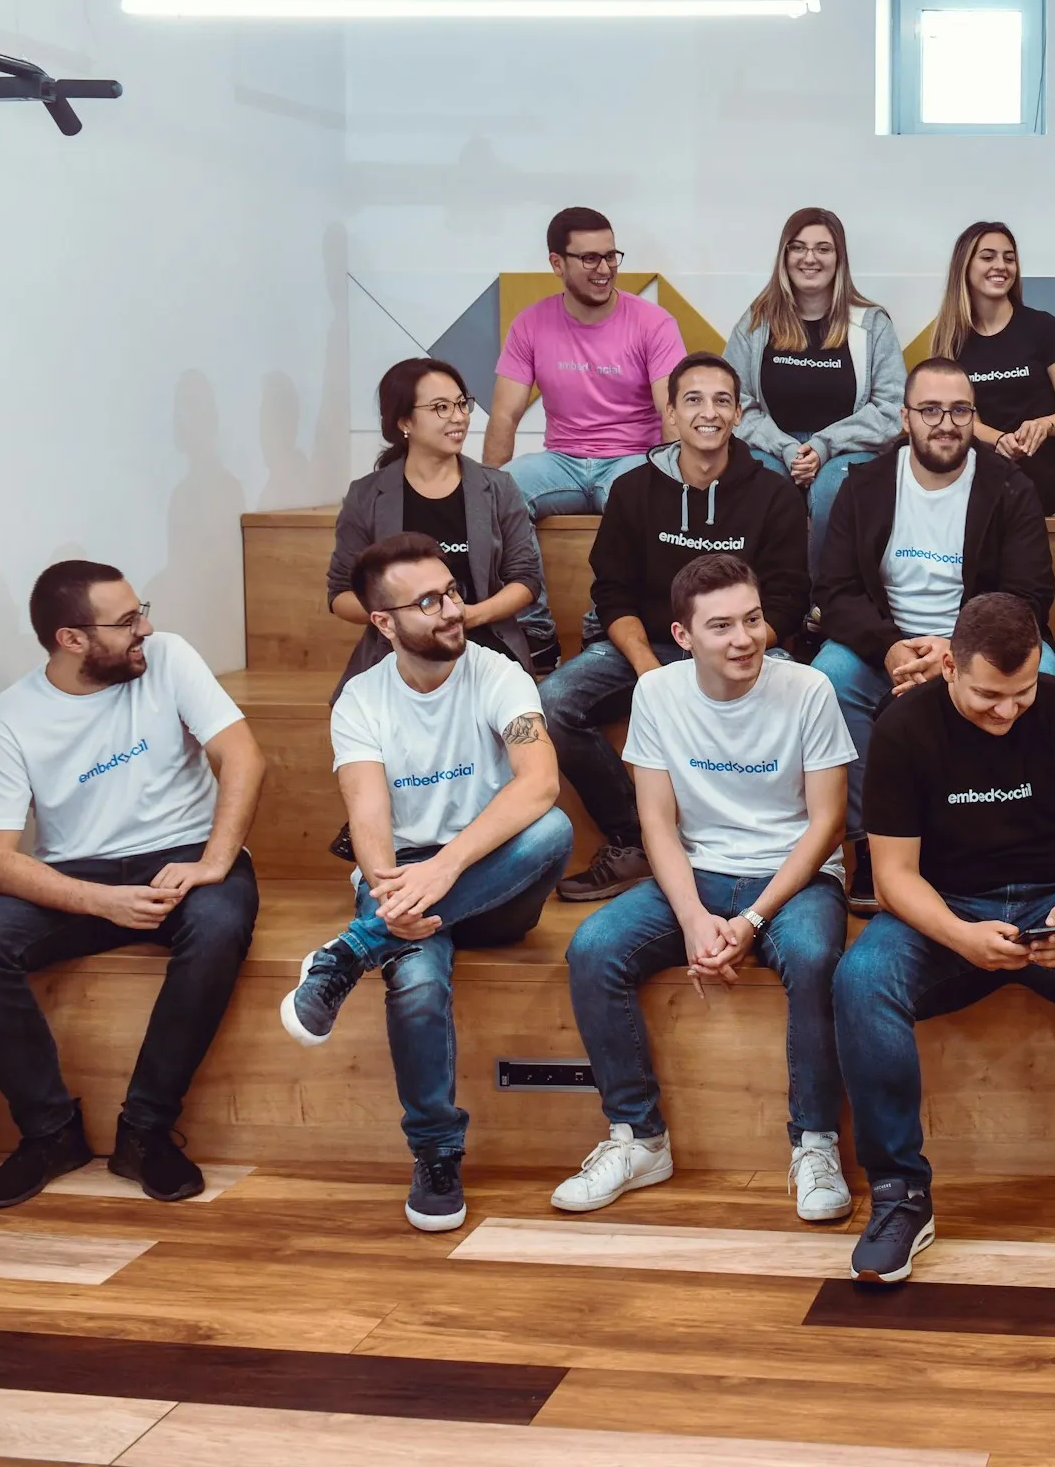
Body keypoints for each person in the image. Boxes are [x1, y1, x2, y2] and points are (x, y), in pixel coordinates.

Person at [833, 593, 1055, 1282]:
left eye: (1020, 694)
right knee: (860, 981)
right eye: (988, 695)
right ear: (949, 664)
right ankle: (899, 1193)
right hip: (944, 906)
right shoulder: (903, 726)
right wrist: (957, 935)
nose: (1007, 712)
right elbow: (893, 876)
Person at [0, 562, 265, 1208]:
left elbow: (243, 755)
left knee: (218, 926)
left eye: (140, 610)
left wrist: (214, 860)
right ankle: (48, 1131)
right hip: (79, 874)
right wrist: (101, 901)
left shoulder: (168, 658)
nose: (145, 627)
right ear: (71, 639)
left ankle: (145, 1132)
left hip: (183, 855)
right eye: (126, 622)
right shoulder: (12, 718)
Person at [278, 533, 574, 1234]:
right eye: (430, 600)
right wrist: (392, 891)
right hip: (402, 883)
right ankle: (437, 1152)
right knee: (415, 984)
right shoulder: (360, 701)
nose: (452, 610)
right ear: (384, 623)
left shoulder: (499, 673)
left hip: (494, 879)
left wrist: (443, 870)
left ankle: (350, 952)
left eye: (452, 591)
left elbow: (539, 785)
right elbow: (370, 818)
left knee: (554, 830)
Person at [554, 556, 856, 1223]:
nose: (743, 638)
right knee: (593, 947)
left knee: (812, 958)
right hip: (698, 871)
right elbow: (656, 822)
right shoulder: (657, 694)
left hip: (793, 874)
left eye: (751, 619)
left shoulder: (808, 689)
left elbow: (828, 823)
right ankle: (638, 1138)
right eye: (720, 626)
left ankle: (814, 1143)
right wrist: (693, 917)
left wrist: (749, 920)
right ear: (683, 636)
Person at [539, 353, 810, 903]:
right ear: (671, 412)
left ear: (739, 414)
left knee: (800, 695)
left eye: (721, 401)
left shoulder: (774, 494)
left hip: (742, 643)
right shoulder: (634, 490)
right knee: (552, 703)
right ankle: (636, 839)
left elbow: (785, 603)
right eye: (693, 399)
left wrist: (730, 649)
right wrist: (649, 668)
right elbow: (612, 593)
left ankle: (763, 850)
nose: (708, 412)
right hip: (651, 644)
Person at [814, 357, 1055, 895]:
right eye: (930, 410)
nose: (946, 423)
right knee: (827, 677)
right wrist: (889, 648)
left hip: (982, 644)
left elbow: (1030, 594)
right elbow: (834, 591)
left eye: (959, 410)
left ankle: (1031, 843)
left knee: (1052, 679)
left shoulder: (1009, 486)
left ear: (974, 416)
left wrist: (955, 648)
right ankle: (869, 844)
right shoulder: (865, 485)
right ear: (905, 418)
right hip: (887, 642)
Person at [483, 207, 688, 664]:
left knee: (638, 494)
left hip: (633, 457)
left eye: (611, 256)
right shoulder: (531, 323)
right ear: (558, 263)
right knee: (499, 493)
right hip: (562, 460)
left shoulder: (653, 323)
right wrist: (484, 489)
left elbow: (670, 411)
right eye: (590, 259)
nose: (605, 269)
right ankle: (535, 633)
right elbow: (504, 415)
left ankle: (602, 628)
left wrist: (675, 479)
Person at [327, 357, 541, 687]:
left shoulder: (499, 488)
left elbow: (525, 579)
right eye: (440, 407)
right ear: (404, 421)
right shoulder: (367, 495)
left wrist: (467, 615)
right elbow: (341, 594)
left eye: (461, 404)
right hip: (397, 653)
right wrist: (405, 620)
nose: (458, 417)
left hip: (484, 644)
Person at [725, 206, 908, 571]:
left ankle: (825, 605)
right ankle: (766, 604)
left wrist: (825, 445)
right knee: (763, 488)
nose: (810, 258)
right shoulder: (756, 321)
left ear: (839, 258)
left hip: (850, 450)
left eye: (823, 248)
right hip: (770, 447)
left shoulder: (872, 323)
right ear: (785, 256)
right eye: (798, 247)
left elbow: (891, 407)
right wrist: (787, 447)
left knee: (831, 491)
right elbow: (734, 401)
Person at [930, 220, 1055, 524]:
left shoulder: (1043, 328)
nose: (1001, 266)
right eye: (988, 257)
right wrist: (1000, 439)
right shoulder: (950, 340)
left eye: (1009, 257)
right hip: (975, 471)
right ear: (965, 265)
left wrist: (1045, 425)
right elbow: (960, 417)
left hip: (1039, 475)